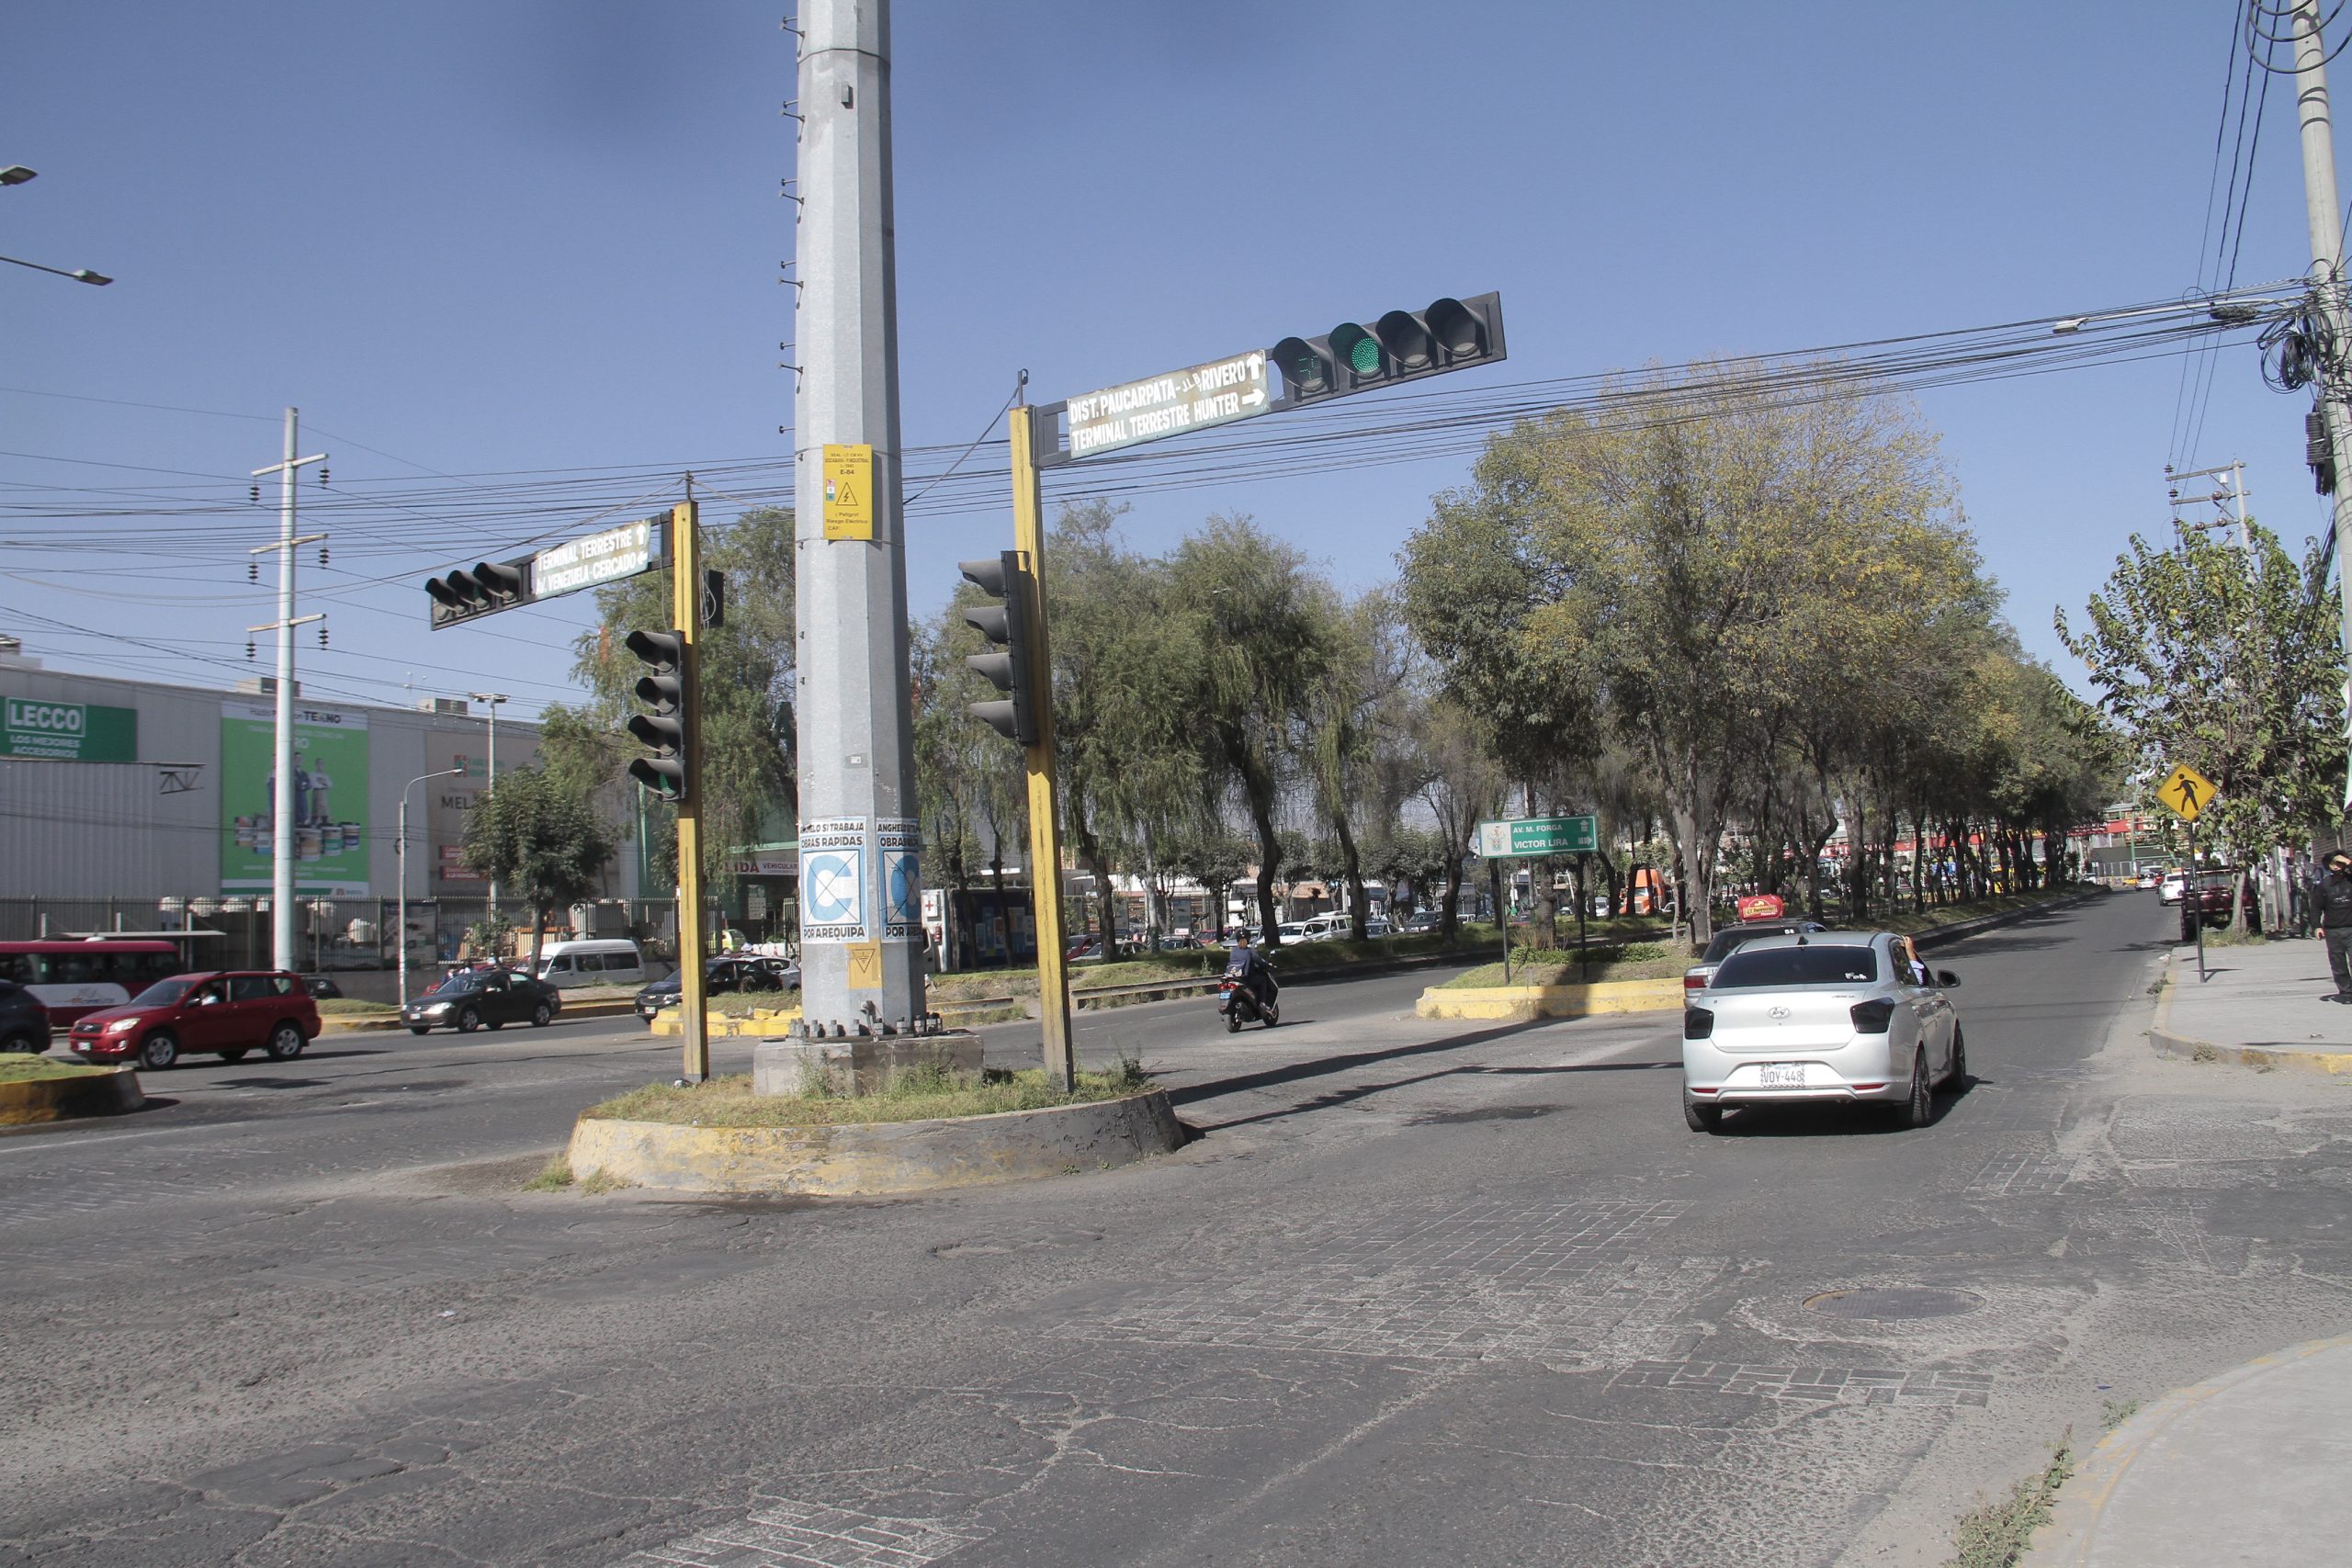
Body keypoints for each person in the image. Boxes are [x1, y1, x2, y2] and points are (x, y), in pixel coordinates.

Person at [2316, 852, 2352, 1000]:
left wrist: (2349, 862)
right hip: (2332, 930)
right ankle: (2346, 992)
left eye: (2339, 863)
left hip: (2351, 929)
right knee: (2338, 963)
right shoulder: (2324, 885)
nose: (2336, 867)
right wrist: (2317, 925)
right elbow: (2316, 907)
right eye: (2333, 864)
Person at [1223, 932, 1278, 1015]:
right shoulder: (1250, 951)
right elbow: (1260, 961)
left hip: (1234, 977)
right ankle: (1262, 1003)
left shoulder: (1233, 951)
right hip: (1246, 978)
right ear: (1248, 939)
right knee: (1262, 980)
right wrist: (1268, 966)